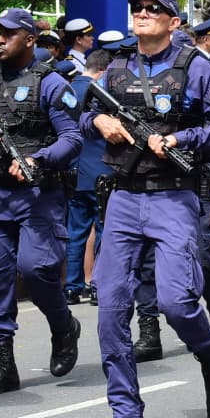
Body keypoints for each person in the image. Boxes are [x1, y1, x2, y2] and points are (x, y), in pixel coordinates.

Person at [81, 0, 210, 418]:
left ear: (174, 22)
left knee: (176, 302)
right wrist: (99, 123)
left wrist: (181, 140)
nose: (143, 13)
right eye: (138, 8)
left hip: (173, 197)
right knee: (111, 308)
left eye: (155, 9)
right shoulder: (116, 66)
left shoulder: (196, 67)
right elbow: (85, 118)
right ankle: (126, 416)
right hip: (123, 198)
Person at [0, 8, 84, 395]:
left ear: (30, 39)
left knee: (35, 269)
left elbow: (72, 139)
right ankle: (2, 361)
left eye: (8, 34)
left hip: (38, 195)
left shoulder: (50, 83)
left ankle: (63, 326)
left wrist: (37, 159)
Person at [64, 49, 115, 306]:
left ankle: (72, 288)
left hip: (75, 172)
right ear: (103, 71)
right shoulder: (103, 92)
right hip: (102, 172)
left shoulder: (66, 89)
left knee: (76, 232)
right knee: (103, 230)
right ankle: (97, 285)